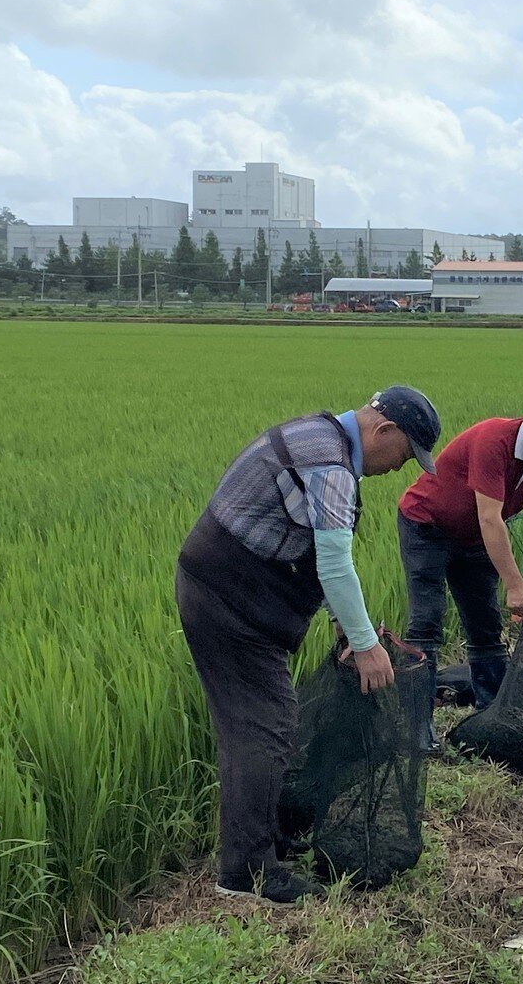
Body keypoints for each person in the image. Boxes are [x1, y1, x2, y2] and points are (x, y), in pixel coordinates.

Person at [175, 386, 441, 905]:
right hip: (227, 599)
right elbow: (335, 563)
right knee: (263, 727)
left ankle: (263, 841)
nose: (400, 467)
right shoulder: (330, 465)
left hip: (228, 591)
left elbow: (313, 548)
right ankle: (246, 873)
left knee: (266, 724)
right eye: (406, 454)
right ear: (384, 430)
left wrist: (346, 625)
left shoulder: (321, 438)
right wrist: (365, 644)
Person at [397, 387, 523, 718]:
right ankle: (416, 722)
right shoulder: (494, 439)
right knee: (427, 619)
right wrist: (516, 584)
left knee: (486, 623)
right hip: (426, 524)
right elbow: (490, 518)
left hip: (476, 538)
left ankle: (492, 712)